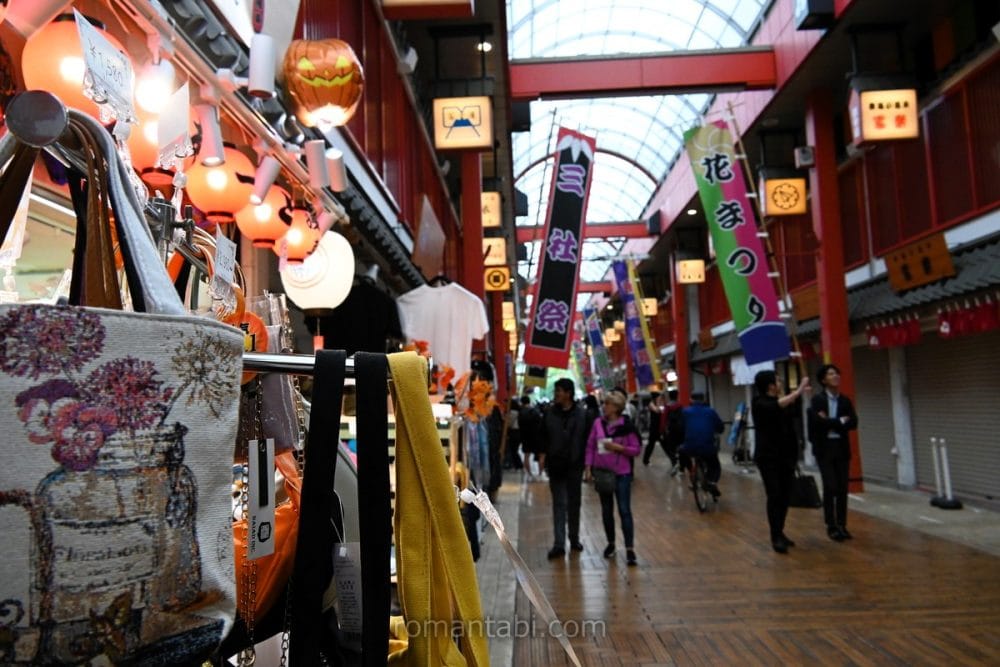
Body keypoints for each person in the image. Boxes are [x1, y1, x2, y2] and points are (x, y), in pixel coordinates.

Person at [751, 370, 811, 554]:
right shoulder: (760, 403)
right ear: (769, 385)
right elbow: (778, 405)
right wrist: (799, 389)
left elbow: (788, 413)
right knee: (775, 495)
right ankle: (775, 535)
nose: (780, 382)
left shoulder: (781, 401)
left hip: (786, 456)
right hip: (768, 458)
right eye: (777, 380)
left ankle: (780, 531)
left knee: (785, 496)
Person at [584, 390, 642, 566]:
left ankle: (630, 548)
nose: (604, 407)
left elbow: (636, 450)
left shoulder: (627, 427)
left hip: (622, 473)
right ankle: (611, 543)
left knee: (624, 510)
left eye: (607, 404)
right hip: (602, 473)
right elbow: (591, 446)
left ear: (616, 407)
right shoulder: (598, 424)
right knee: (606, 510)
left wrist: (618, 447)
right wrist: (588, 468)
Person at [808, 364, 859, 542]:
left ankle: (842, 524)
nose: (835, 376)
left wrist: (830, 421)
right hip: (824, 448)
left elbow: (853, 422)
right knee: (831, 486)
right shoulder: (817, 400)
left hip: (841, 447)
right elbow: (817, 424)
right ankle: (831, 524)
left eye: (837, 373)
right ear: (823, 380)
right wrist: (839, 421)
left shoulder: (845, 401)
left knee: (843, 487)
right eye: (831, 374)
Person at [540, 378, 588, 559]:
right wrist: (543, 455)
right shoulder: (549, 413)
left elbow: (586, 439)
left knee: (574, 503)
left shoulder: (582, 414)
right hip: (556, 465)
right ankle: (559, 543)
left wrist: (587, 464)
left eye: (559, 391)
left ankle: (574, 539)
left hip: (575, 466)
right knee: (559, 504)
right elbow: (543, 436)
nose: (556, 394)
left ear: (568, 393)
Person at [678, 393, 725, 497]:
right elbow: (720, 427)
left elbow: (680, 427)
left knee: (683, 452)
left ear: (690, 399)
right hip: (707, 447)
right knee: (714, 465)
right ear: (704, 400)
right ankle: (711, 482)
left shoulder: (685, 412)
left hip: (689, 446)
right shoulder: (711, 411)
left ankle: (692, 474)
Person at [517, 396, 544, 478]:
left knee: (526, 456)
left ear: (522, 402)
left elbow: (520, 425)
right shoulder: (535, 411)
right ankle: (540, 474)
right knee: (541, 455)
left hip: (525, 437)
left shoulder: (521, 412)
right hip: (537, 437)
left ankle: (529, 474)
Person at [503, 398, 523, 470]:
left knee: (513, 450)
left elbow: (509, 424)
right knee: (514, 449)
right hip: (517, 433)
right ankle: (517, 464)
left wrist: (504, 418)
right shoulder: (517, 412)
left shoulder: (512, 412)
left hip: (514, 433)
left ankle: (518, 464)